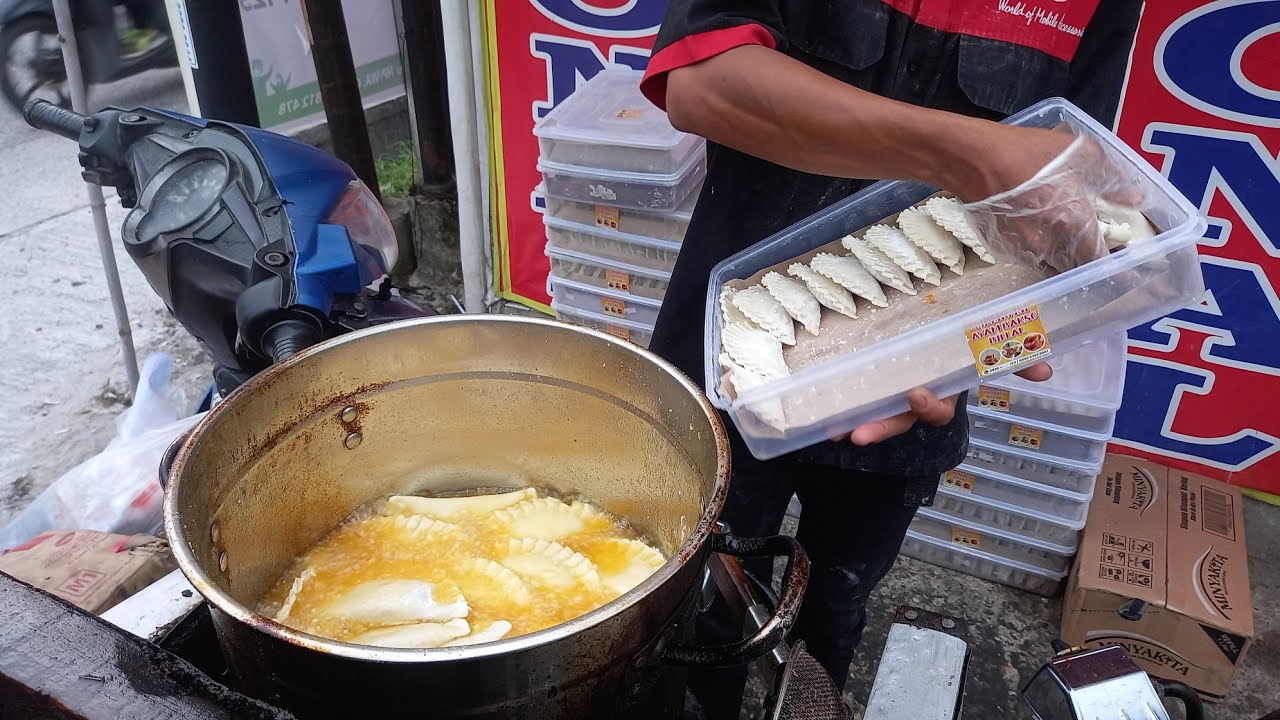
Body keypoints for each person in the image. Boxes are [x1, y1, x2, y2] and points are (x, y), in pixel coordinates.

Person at [637, 2, 1144, 717]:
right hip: (724, 351)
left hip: (917, 388)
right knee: (692, 603)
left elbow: (1060, 195)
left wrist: (998, 346)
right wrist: (966, 153)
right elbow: (701, 84)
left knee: (837, 602)